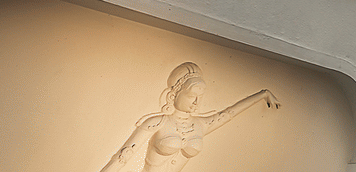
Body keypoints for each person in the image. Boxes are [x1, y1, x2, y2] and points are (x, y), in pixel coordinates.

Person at [100, 62, 282, 172]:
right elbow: (122, 157)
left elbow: (229, 113)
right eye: (192, 95)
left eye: (200, 97)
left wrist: (262, 94)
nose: (196, 102)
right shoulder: (157, 122)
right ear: (174, 96)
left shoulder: (200, 125)